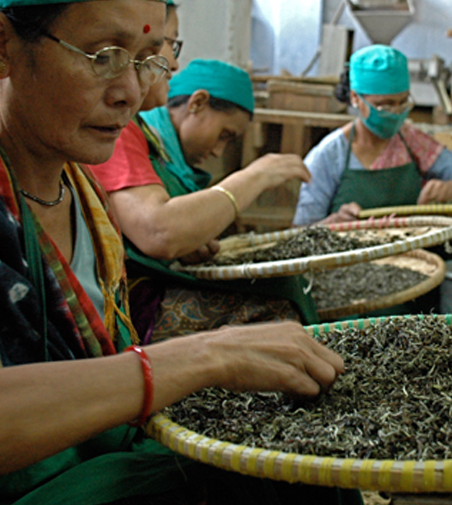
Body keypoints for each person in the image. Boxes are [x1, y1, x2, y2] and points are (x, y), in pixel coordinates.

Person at [0, 0, 366, 505]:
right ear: (0, 45)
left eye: (148, 60)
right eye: (104, 56)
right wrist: (198, 358)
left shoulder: (77, 185)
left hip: (99, 460)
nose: (133, 92)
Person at [89, 59, 317, 341]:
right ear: (197, 103)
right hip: (123, 300)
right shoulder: (124, 132)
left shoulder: (162, 150)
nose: (219, 151)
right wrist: (257, 176)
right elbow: (160, 231)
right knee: (276, 313)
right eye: (224, 135)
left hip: (147, 284)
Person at [293, 44, 452, 261]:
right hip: (355, 262)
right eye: (385, 106)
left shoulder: (412, 142)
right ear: (355, 98)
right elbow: (298, 234)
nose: (396, 113)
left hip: (415, 257)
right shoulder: (329, 155)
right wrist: (332, 224)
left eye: (403, 103)